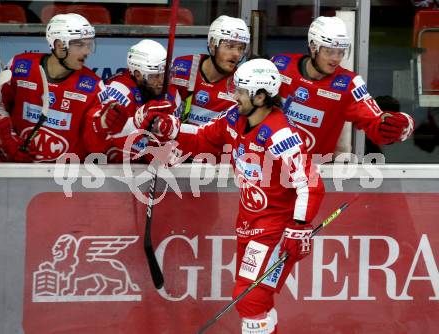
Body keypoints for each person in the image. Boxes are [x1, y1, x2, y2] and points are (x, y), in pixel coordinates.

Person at [135, 58, 325, 333]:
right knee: (256, 302)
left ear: (261, 96)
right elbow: (201, 137)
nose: (233, 95)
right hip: (249, 224)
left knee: (250, 299)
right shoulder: (235, 118)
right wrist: (169, 128)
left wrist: (299, 227)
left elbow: (309, 183)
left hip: (274, 229)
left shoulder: (279, 134)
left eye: (241, 91)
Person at [271, 16, 415, 159]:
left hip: (311, 174)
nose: (336, 58)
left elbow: (374, 120)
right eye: (329, 51)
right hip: (266, 167)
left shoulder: (348, 85)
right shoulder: (280, 66)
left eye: (341, 51)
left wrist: (400, 124)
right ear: (313, 46)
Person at [0, 13, 122, 162]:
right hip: (14, 171)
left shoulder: (94, 87)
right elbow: (1, 106)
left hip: (64, 180)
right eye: (79, 45)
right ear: (59, 45)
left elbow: (94, 146)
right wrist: (7, 138)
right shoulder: (20, 66)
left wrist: (103, 126)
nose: (87, 51)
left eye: (89, 44)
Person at [87, 39, 173, 162]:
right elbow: (104, 139)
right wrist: (138, 123)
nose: (161, 81)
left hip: (142, 168)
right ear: (138, 74)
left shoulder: (170, 94)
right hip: (108, 169)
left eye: (164, 75)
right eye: (155, 76)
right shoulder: (119, 91)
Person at [167, 15, 250, 126]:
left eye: (241, 48)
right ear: (212, 43)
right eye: (230, 46)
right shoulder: (181, 66)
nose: (236, 54)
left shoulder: (242, 86)